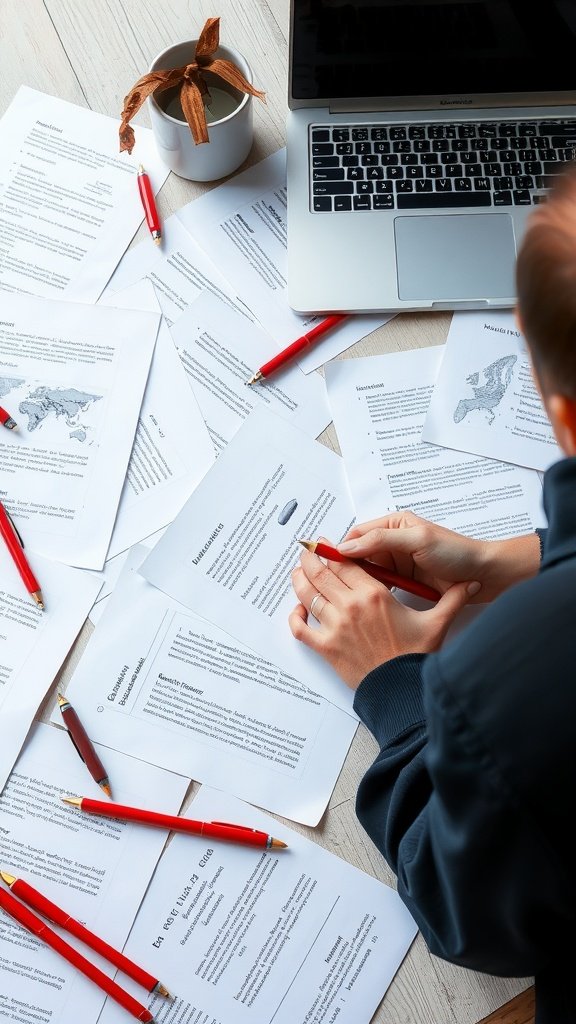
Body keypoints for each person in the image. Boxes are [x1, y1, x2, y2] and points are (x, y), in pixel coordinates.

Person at [289, 164, 576, 1024]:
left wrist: (396, 684)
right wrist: (508, 561)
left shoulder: (502, 693)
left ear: (562, 413)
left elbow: (465, 913)